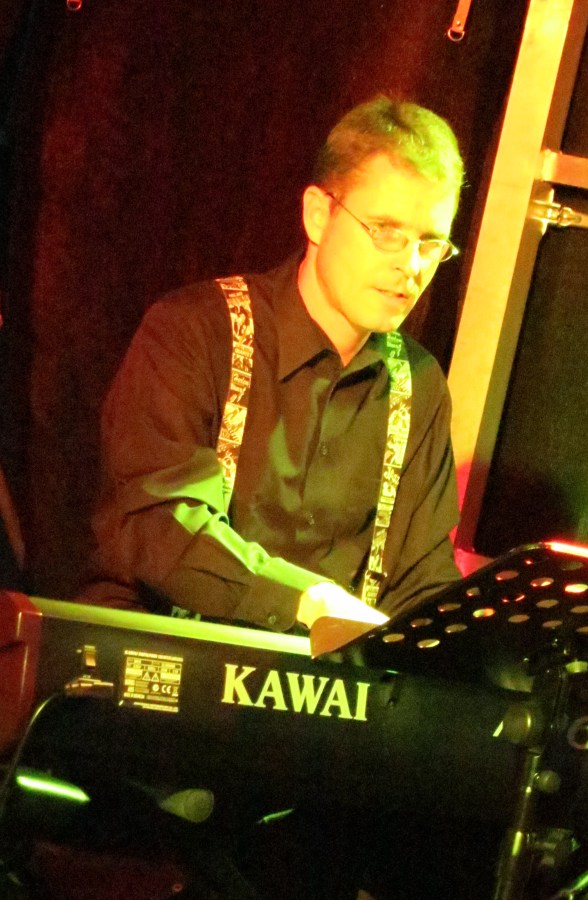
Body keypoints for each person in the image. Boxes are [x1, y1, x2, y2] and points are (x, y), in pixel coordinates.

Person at [84, 95, 465, 635]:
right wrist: (307, 600)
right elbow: (159, 526)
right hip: (162, 654)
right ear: (317, 215)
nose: (410, 265)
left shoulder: (419, 386)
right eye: (385, 231)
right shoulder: (195, 331)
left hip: (321, 682)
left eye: (431, 243)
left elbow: (421, 581)